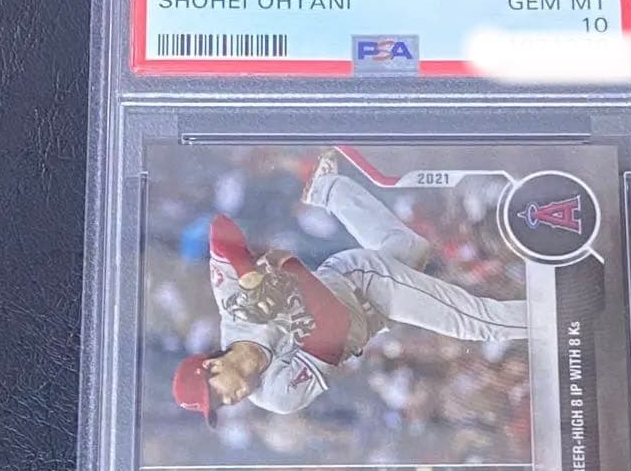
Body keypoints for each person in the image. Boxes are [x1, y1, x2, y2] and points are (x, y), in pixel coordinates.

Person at [172, 149, 527, 422]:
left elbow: (220, 229)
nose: (227, 402)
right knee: (410, 249)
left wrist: (249, 275)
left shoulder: (237, 313)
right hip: (358, 316)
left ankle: (554, 317)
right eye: (218, 406)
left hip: (361, 282)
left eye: (215, 395)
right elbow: (333, 327)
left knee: (476, 323)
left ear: (212, 367)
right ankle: (326, 188)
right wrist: (290, 271)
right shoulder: (276, 395)